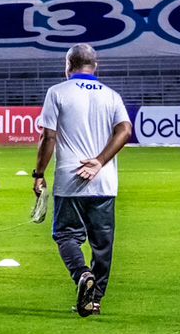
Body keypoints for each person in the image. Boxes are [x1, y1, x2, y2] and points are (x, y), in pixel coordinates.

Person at [32, 43, 133, 316]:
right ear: (95, 66)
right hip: (104, 182)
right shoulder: (111, 95)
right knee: (102, 244)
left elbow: (48, 137)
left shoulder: (57, 92)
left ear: (68, 65)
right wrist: (100, 161)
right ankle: (94, 300)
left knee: (66, 235)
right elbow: (125, 130)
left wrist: (39, 174)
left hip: (70, 180)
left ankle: (82, 274)